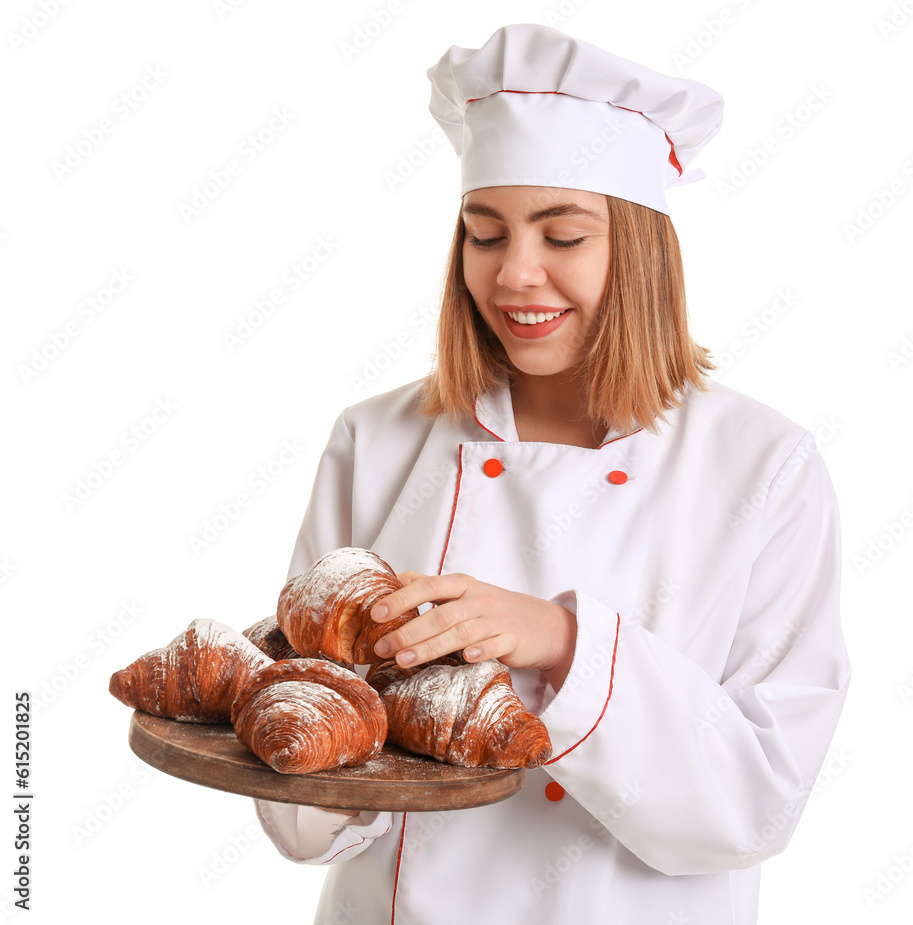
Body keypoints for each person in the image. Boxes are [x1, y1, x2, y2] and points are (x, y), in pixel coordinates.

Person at [254, 23, 850, 925]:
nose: (515, 276)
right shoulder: (374, 440)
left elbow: (757, 801)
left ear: (642, 252)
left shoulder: (763, 468)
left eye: (564, 235)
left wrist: (565, 644)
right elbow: (303, 820)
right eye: (484, 235)